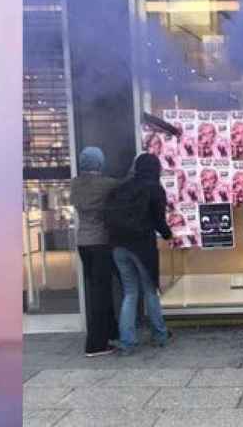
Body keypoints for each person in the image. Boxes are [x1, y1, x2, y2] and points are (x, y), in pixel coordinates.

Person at [106, 153, 174, 355]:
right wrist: (169, 235)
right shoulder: (154, 188)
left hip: (118, 245)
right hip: (142, 247)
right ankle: (160, 335)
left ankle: (127, 341)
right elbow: (159, 220)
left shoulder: (121, 187)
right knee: (150, 291)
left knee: (130, 293)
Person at [68, 147, 120, 357]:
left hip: (83, 243)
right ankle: (96, 344)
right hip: (100, 242)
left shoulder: (75, 183)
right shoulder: (107, 184)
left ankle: (108, 332)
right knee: (101, 293)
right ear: (100, 163)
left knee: (96, 291)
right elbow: (124, 185)